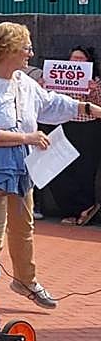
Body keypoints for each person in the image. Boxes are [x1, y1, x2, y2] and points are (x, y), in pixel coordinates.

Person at [0, 22, 101, 317]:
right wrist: (26, 137)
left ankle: (25, 281)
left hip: (22, 167)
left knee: (24, 228)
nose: (30, 53)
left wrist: (89, 108)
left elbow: (51, 104)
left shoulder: (23, 81)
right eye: (26, 47)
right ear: (7, 49)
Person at [50, 46, 101, 226]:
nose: (76, 63)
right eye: (73, 59)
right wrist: (44, 84)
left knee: (85, 171)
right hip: (65, 126)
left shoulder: (96, 81)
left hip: (89, 129)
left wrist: (94, 91)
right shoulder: (58, 78)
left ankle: (86, 209)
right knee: (60, 170)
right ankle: (72, 209)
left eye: (81, 60)